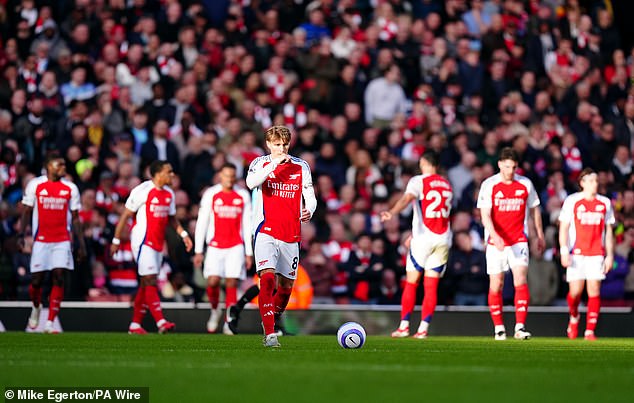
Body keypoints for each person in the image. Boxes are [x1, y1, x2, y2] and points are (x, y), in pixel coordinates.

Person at [245, 125, 316, 347]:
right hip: (265, 230)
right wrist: (274, 163)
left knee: (285, 289)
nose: (281, 148)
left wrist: (309, 210)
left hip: (291, 233)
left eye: (284, 144)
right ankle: (270, 334)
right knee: (266, 280)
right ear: (268, 144)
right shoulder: (260, 163)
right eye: (277, 144)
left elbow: (310, 196)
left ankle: (270, 322)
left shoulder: (301, 166)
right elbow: (251, 183)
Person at [110, 160, 193, 334]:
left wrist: (184, 234)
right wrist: (116, 240)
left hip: (157, 243)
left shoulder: (169, 193)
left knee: (145, 282)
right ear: (157, 174)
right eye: (168, 172)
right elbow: (125, 215)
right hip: (142, 241)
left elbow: (171, 218)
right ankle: (160, 321)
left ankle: (135, 324)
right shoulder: (142, 191)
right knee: (150, 280)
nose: (172, 175)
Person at [380, 151, 453, 339]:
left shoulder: (418, 181)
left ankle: (404, 326)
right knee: (431, 286)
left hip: (423, 239)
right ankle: (423, 329)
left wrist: (392, 212)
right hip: (443, 238)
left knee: (412, 283)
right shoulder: (446, 185)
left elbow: (407, 199)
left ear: (424, 163)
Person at [477, 147, 545, 340]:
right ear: (500, 164)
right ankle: (499, 328)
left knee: (520, 280)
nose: (510, 171)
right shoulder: (489, 185)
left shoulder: (525, 184)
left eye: (513, 167)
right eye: (507, 167)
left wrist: (539, 234)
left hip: (518, 239)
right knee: (496, 284)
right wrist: (494, 235)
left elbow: (534, 210)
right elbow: (485, 215)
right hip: (496, 241)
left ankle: (520, 327)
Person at [21, 154, 86, 333]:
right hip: (41, 240)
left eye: (64, 165)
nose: (63, 168)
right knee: (37, 280)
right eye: (59, 165)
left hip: (62, 240)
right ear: (48, 166)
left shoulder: (70, 188)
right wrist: (21, 233)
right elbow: (27, 211)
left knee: (58, 276)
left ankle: (50, 321)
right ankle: (36, 307)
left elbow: (76, 218)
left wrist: (81, 244)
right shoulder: (36, 185)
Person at [193, 162, 252, 335]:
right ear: (220, 176)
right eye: (226, 175)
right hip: (215, 245)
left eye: (232, 176)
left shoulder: (243, 195)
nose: (229, 179)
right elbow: (202, 222)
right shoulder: (211, 194)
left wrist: (249, 252)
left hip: (236, 246)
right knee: (212, 281)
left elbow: (246, 224)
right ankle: (214, 310)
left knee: (232, 282)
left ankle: (229, 321)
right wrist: (198, 250)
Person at [559, 168, 615, 340]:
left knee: (594, 290)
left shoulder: (605, 203)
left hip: (596, 252)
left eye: (596, 181)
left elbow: (609, 230)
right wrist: (563, 250)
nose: (594, 184)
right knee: (575, 292)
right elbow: (564, 227)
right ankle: (574, 316)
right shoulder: (572, 201)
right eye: (591, 181)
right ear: (582, 183)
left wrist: (610, 255)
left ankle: (590, 330)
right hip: (576, 252)